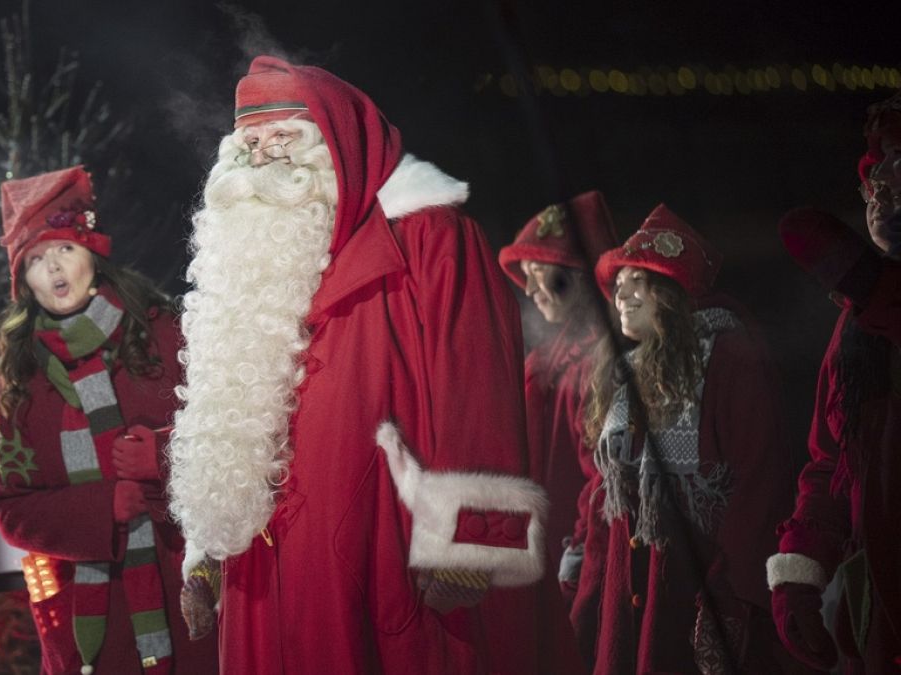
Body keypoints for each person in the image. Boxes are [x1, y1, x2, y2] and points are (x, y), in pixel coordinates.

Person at [167, 56, 548, 674]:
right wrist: (205, 549)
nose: (263, 161)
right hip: (260, 580)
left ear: (336, 148)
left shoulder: (430, 241)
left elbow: (478, 392)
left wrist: (470, 543)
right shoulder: (244, 270)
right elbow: (224, 416)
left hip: (382, 565)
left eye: (283, 139)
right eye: (250, 145)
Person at [0, 166, 218, 675]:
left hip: (192, 587)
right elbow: (10, 508)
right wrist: (101, 506)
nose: (54, 269)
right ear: (22, 281)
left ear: (92, 251)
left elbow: (232, 435)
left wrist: (162, 460)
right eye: (36, 260)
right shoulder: (22, 380)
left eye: (64, 249)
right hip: (92, 621)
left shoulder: (163, 334)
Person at [578, 205, 809, 674]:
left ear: (669, 287)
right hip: (630, 613)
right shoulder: (626, 378)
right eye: (618, 281)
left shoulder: (729, 356)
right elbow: (611, 505)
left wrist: (726, 604)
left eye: (635, 278)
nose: (620, 291)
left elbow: (759, 486)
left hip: (693, 600)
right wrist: (589, 596)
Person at [768, 91, 901, 673]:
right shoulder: (854, 324)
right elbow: (828, 462)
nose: (886, 188)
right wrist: (799, 575)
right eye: (880, 170)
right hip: (877, 611)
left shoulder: (871, 302)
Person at [496, 190, 617, 672]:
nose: (531, 289)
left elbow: (600, 478)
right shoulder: (542, 361)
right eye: (527, 275)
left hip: (575, 559)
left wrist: (577, 564)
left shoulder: (600, 362)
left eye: (545, 274)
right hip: (539, 558)